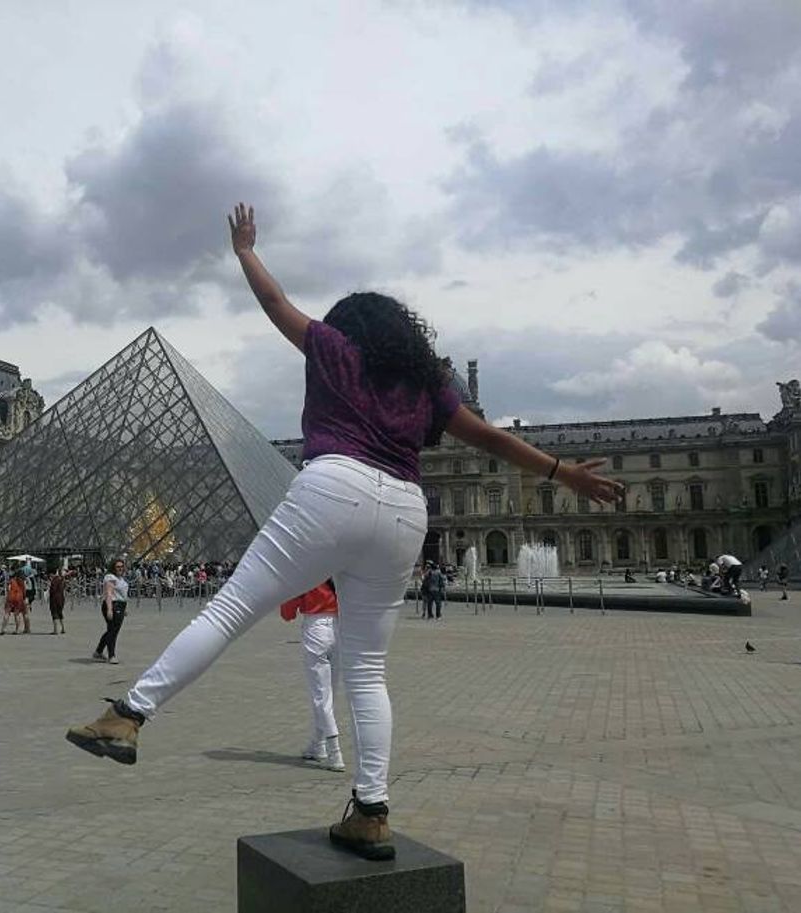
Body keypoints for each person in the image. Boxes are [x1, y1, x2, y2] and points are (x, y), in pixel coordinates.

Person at [65, 203, 623, 861]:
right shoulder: (428, 381)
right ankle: (371, 808)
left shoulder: (334, 348)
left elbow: (274, 302)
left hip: (334, 486)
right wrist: (563, 473)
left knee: (230, 609)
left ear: (349, 325)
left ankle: (128, 715)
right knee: (365, 668)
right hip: (405, 512)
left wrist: (245, 250)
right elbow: (492, 437)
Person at [280, 582, 345, 772]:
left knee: (321, 696)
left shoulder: (309, 570)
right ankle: (318, 744)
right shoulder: (338, 569)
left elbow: (287, 613)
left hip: (316, 626)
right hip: (339, 626)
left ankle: (335, 752)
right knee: (330, 693)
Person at [92, 559, 129, 664]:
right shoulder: (110, 577)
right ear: (113, 567)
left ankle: (98, 651)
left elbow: (123, 595)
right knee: (113, 631)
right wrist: (109, 609)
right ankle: (111, 655)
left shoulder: (121, 578)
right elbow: (109, 594)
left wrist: (125, 608)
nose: (120, 568)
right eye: (118, 566)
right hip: (113, 604)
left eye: (122, 566)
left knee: (112, 630)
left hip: (120, 605)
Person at [49, 569, 67, 635]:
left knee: (54, 613)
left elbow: (53, 590)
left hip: (55, 598)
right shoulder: (62, 580)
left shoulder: (55, 580)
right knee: (60, 613)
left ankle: (55, 630)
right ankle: (63, 628)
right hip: (61, 598)